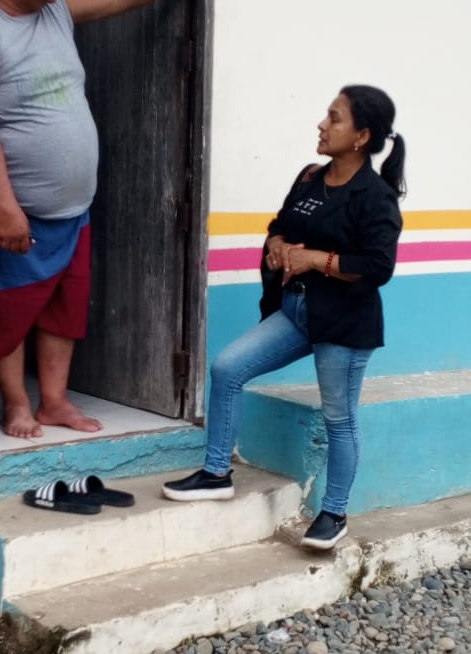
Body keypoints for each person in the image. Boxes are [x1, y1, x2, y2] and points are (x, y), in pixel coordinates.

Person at [0, 0, 227, 439]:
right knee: (8, 309)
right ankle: (17, 405)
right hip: (19, 210)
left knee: (64, 309)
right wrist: (4, 205)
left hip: (74, 208)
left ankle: (54, 402)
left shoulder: (55, 4)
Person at [164, 85, 406, 551]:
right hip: (296, 311)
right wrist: (277, 246)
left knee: (339, 419)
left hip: (344, 324)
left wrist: (316, 259)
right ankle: (216, 473)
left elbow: (378, 266)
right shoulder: (310, 177)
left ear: (361, 136)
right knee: (227, 368)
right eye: (326, 116)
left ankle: (333, 513)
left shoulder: (375, 197)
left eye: (334, 118)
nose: (322, 124)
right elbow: (280, 225)